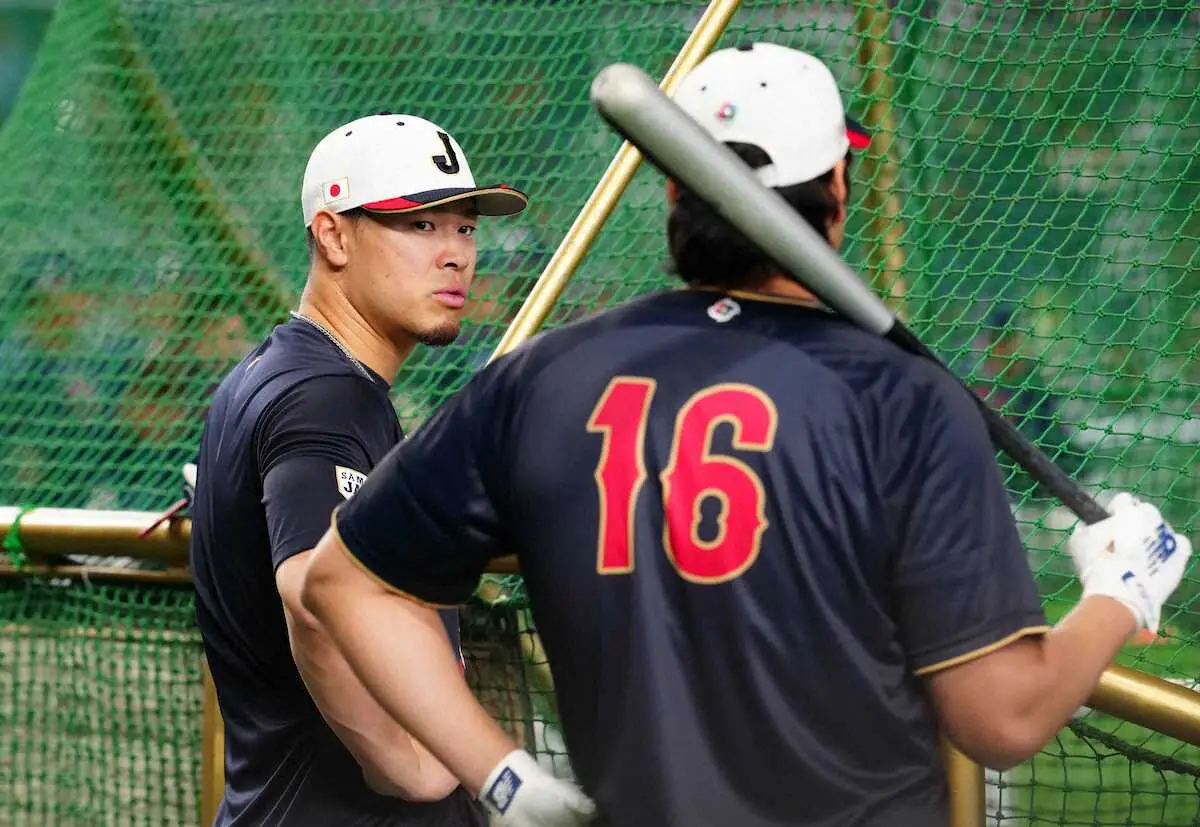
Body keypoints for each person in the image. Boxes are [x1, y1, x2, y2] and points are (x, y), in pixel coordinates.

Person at [298, 44, 1193, 827]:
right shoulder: (906, 400)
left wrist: (503, 778)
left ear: (678, 194)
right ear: (836, 190)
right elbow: (1002, 718)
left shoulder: (541, 378)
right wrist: (1119, 591)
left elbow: (340, 583)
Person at [188, 112, 531, 826]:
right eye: (419, 226)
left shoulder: (279, 372)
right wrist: (413, 765)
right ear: (333, 233)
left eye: (464, 227)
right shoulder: (327, 398)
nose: (456, 254)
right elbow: (314, 592)